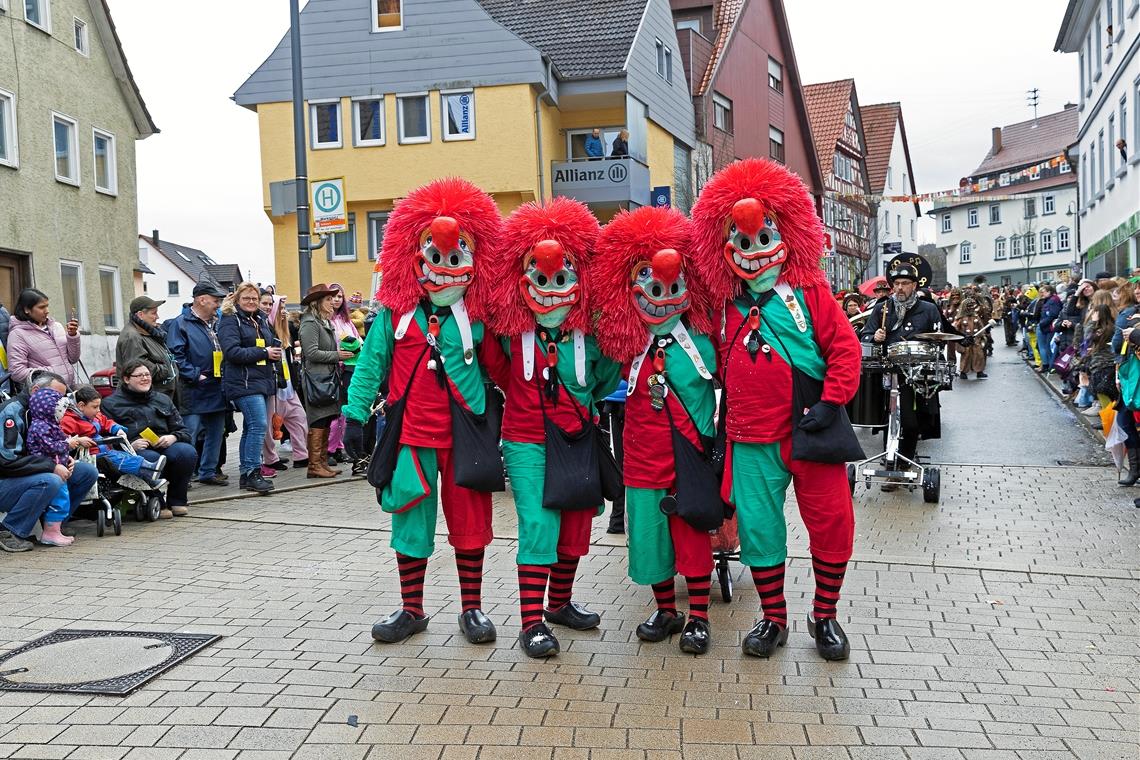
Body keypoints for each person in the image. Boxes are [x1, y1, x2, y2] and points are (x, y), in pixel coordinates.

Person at [691, 158, 861, 662]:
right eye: (742, 244)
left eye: (762, 238)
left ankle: (824, 615)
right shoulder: (722, 308)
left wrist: (832, 402)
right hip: (749, 437)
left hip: (811, 431)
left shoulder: (810, 293)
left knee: (832, 522)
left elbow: (845, 350)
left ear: (784, 235)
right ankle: (773, 618)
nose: (754, 252)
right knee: (761, 531)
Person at [341, 178, 503, 646]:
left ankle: (471, 609)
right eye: (437, 257)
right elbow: (370, 366)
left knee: (470, 526)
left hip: (466, 437)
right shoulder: (395, 317)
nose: (447, 269)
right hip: (411, 437)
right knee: (410, 524)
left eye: (457, 258)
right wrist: (354, 417)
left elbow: (506, 368)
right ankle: (412, 609)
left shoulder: (477, 319)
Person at [479, 197, 621, 658]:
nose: (551, 289)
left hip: (577, 437)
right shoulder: (509, 333)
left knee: (576, 524)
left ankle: (559, 603)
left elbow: (603, 379)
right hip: (525, 441)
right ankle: (531, 622)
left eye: (562, 279)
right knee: (538, 524)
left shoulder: (590, 337)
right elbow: (497, 368)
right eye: (540, 279)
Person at [594, 205, 720, 656]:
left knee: (691, 538)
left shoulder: (707, 339)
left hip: (689, 456)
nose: (660, 288)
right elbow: (593, 376)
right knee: (649, 537)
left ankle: (700, 617)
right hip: (643, 458)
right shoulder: (625, 345)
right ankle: (667, 609)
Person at [860, 262, 944, 485]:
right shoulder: (882, 308)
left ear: (914, 285)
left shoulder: (928, 309)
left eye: (905, 284)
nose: (899, 288)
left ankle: (905, 461)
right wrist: (874, 337)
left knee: (911, 422)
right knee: (888, 420)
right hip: (887, 371)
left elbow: (939, 341)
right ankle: (890, 463)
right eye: (896, 284)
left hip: (916, 373)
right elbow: (865, 336)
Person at [0, 371, 98, 551]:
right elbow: (7, 462)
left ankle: (53, 525)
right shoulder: (11, 412)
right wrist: (52, 465)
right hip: (5, 482)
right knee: (51, 480)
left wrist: (62, 458)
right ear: (36, 390)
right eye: (55, 396)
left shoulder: (46, 414)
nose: (60, 402)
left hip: (29, 473)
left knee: (86, 472)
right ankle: (9, 530)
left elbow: (48, 445)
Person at [103, 360, 197, 517]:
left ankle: (177, 501)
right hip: (134, 450)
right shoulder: (110, 404)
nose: (145, 378)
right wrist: (130, 445)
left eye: (147, 375)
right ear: (126, 379)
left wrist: (173, 437)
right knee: (151, 458)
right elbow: (106, 438)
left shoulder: (163, 399)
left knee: (186, 452)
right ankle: (157, 502)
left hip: (163, 443)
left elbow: (183, 431)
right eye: (139, 375)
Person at [217, 282, 281, 494]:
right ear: (237, 299)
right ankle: (253, 472)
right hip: (242, 382)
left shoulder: (260, 319)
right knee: (258, 425)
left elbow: (269, 342)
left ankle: (247, 474)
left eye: (254, 298)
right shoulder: (230, 320)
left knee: (251, 427)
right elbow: (232, 352)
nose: (252, 302)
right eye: (247, 298)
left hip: (259, 380)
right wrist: (264, 353)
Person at [166, 282, 230, 486]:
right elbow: (176, 355)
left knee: (216, 432)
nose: (218, 305)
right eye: (215, 301)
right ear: (201, 299)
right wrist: (195, 375)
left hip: (217, 385)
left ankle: (208, 472)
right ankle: (182, 476)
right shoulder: (181, 323)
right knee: (189, 433)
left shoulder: (217, 322)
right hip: (193, 387)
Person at [61, 385, 168, 487]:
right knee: (118, 459)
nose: (98, 410)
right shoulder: (69, 420)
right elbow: (62, 438)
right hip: (89, 456)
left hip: (102, 451)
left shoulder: (94, 416)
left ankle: (148, 477)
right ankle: (148, 468)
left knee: (124, 455)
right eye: (95, 407)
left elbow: (106, 422)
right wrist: (79, 440)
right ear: (81, 406)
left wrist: (118, 429)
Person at [298, 284, 350, 479]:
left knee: (327, 418)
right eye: (328, 299)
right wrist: (337, 355)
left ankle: (321, 463)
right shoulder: (310, 322)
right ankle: (314, 465)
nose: (332, 302)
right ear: (317, 302)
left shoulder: (323, 321)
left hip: (326, 378)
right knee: (318, 420)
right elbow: (311, 353)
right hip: (316, 379)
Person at [262, 295, 310, 473]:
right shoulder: (264, 330)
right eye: (279, 308)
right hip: (274, 387)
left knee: (299, 418)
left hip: (288, 385)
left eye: (284, 308)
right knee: (268, 426)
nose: (283, 312)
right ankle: (270, 459)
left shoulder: (286, 331)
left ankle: (301, 455)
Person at [6, 288, 81, 388]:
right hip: (45, 395)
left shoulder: (56, 326)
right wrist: (52, 373)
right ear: (27, 309)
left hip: (68, 389)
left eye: (47, 306)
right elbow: (17, 372)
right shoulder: (18, 334)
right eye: (42, 307)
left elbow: (73, 359)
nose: (47, 311)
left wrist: (72, 336)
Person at [325, 283, 361, 467]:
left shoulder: (346, 320)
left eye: (340, 296)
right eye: (333, 296)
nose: (337, 300)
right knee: (335, 412)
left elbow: (358, 339)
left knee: (344, 412)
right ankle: (328, 449)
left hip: (348, 369)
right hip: (333, 370)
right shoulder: (325, 320)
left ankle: (338, 447)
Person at [116, 296, 178, 398]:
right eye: (153, 313)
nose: (157, 317)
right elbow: (137, 367)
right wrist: (166, 369)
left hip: (159, 397)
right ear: (140, 315)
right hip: (147, 399)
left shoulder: (149, 332)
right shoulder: (132, 336)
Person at [954, 297, 988, 379]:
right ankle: (963, 372)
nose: (971, 308)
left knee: (979, 355)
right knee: (966, 355)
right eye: (969, 306)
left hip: (976, 339)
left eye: (972, 306)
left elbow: (981, 327)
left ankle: (979, 371)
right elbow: (956, 328)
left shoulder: (976, 317)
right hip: (966, 339)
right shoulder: (960, 318)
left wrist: (983, 336)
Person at [1035, 284, 1063, 373]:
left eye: (1044, 291)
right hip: (1047, 326)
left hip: (1048, 327)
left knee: (1047, 347)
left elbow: (1052, 315)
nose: (1042, 293)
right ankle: (1048, 365)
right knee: (1046, 347)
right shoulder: (1050, 300)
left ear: (1049, 292)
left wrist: (1041, 323)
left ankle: (1048, 366)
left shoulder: (1053, 301)